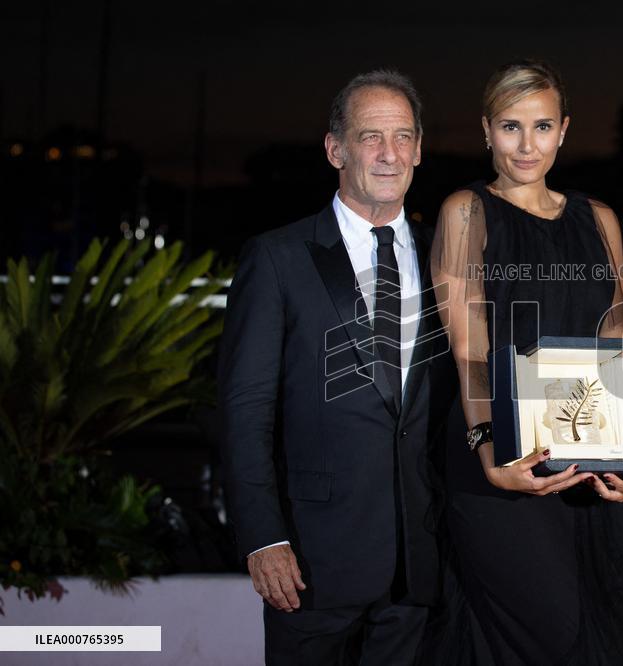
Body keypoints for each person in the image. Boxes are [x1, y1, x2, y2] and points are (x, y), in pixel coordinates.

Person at [430, 60, 623, 666]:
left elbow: (620, 340)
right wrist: (490, 452)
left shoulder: (600, 219)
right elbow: (470, 347)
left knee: (604, 632)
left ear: (564, 130)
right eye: (511, 127)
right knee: (546, 632)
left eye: (541, 127)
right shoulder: (467, 211)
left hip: (592, 457)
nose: (527, 145)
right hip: (505, 461)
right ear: (487, 131)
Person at [219, 70, 450, 665]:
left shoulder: (446, 256)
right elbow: (245, 412)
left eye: (403, 136)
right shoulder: (276, 258)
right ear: (335, 148)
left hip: (420, 567)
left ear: (420, 149)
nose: (389, 153)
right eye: (371, 136)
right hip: (310, 566)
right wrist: (263, 537)